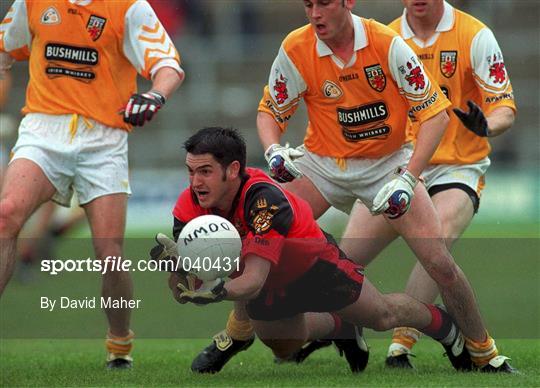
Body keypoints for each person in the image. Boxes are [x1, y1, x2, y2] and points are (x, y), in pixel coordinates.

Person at [193, 0, 513, 374]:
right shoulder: (296, 46)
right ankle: (239, 330)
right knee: (257, 234)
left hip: (387, 165)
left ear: (348, 3)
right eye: (308, 4)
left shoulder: (387, 42)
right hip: (321, 164)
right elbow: (271, 111)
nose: (315, 13)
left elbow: (435, 114)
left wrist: (408, 177)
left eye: (324, 3)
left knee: (439, 262)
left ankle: (485, 353)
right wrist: (274, 149)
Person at [151, 126, 472, 374]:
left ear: (232, 170)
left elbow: (253, 281)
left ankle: (442, 325)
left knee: (383, 315)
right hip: (259, 277)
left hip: (314, 266)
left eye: (204, 171)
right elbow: (183, 292)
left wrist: (217, 290)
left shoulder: (263, 200)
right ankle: (340, 326)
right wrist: (177, 269)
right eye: (191, 171)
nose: (195, 182)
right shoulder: (188, 207)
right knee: (283, 347)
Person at [0, 0, 184, 369]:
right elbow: (5, 48)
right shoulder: (32, 2)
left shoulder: (130, 8)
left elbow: (169, 66)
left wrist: (154, 95)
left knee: (110, 255)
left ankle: (119, 343)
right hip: (42, 131)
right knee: (5, 216)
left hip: (103, 140)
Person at [363, 0, 514, 370]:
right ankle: (331, 331)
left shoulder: (475, 34)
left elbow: (504, 108)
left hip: (457, 168)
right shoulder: (385, 38)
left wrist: (487, 126)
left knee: (436, 240)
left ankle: (400, 346)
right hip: (398, 166)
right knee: (347, 259)